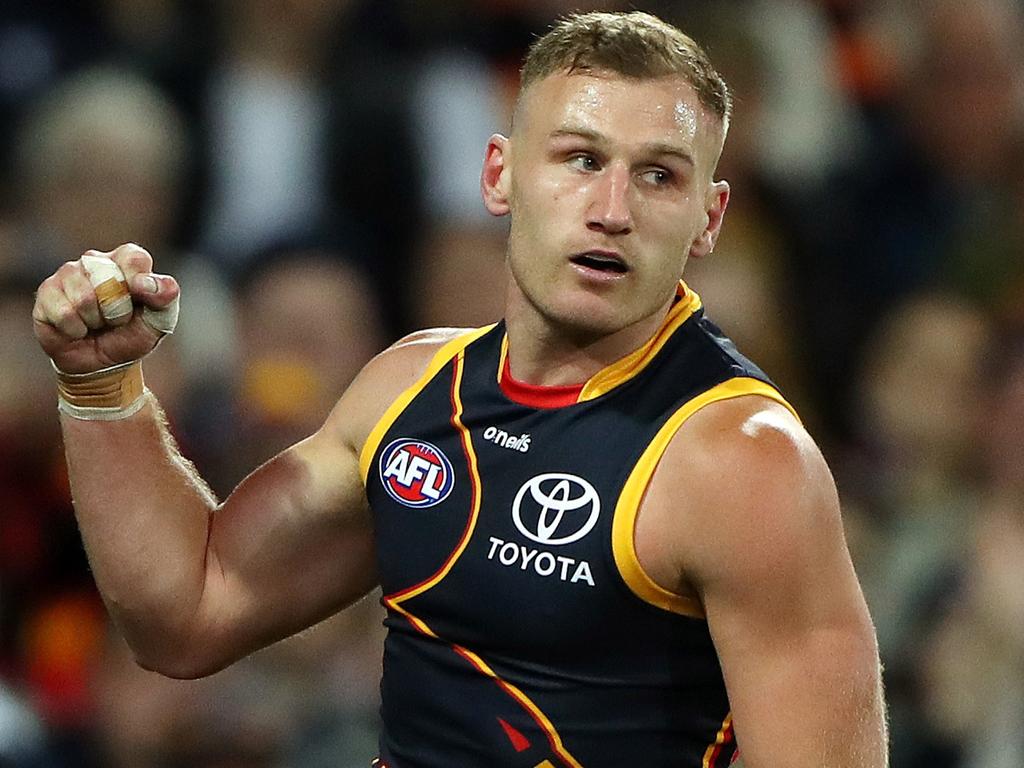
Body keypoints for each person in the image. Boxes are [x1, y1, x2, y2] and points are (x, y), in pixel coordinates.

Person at [31, 11, 887, 767]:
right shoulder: (409, 388)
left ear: (710, 216)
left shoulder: (743, 463)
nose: (612, 208)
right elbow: (185, 614)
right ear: (498, 176)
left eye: (659, 175)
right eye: (581, 159)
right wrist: (102, 388)